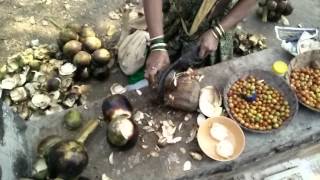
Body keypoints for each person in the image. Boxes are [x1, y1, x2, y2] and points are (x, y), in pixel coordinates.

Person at [143, 0, 256, 87]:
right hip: (178, 16)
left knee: (212, 80)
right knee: (157, 69)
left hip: (222, 24)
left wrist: (218, 32)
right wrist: (157, 44)